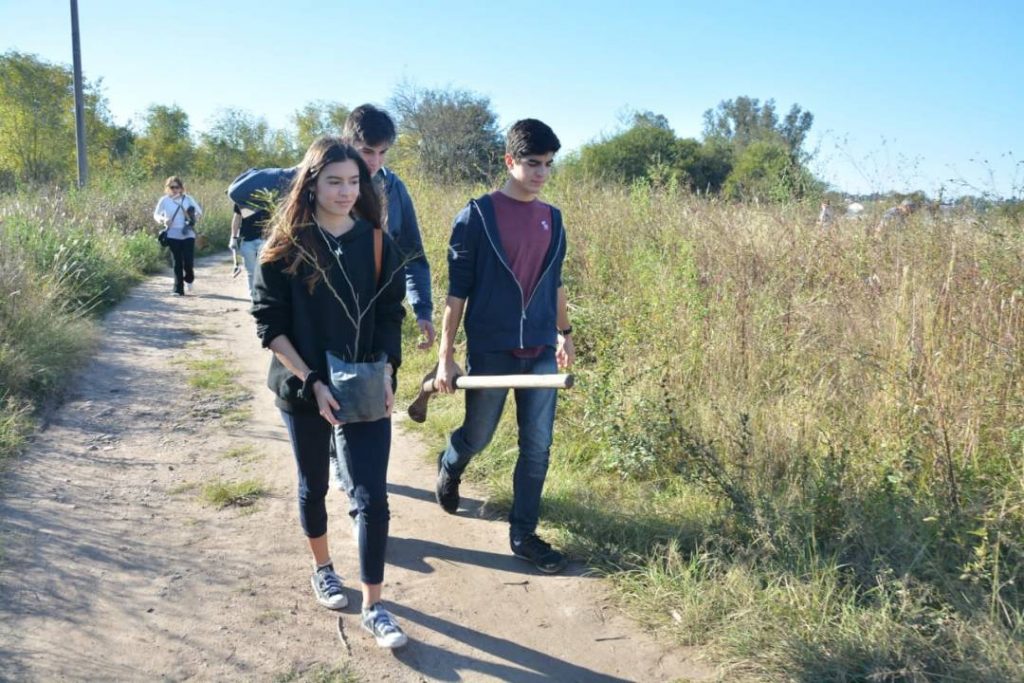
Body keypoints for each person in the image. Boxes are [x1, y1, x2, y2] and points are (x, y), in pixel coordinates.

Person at [250, 137, 409, 648]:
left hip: (365, 385)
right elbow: (270, 326)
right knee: (314, 484)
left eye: (354, 182)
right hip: (303, 388)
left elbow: (391, 314)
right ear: (311, 184)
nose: (346, 191)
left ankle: (375, 606)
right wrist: (310, 381)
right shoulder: (286, 247)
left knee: (372, 496)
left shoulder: (378, 243)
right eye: (334, 181)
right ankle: (323, 569)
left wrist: (387, 370)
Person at [434, 119, 575, 574]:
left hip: (540, 349)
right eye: (533, 163)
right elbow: (456, 293)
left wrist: (565, 334)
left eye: (548, 165)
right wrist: (445, 357)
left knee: (537, 446)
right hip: (492, 350)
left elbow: (555, 284)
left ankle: (523, 534)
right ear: (510, 161)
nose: (541, 173)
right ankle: (451, 464)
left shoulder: (553, 218)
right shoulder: (476, 216)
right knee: (478, 436)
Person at [329, 104, 435, 498]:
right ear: (346, 144)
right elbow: (243, 189)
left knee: (376, 392)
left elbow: (413, 254)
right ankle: (342, 466)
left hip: (380, 311)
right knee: (334, 391)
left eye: (382, 152)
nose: (374, 162)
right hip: (331, 311)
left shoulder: (393, 188)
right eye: (366, 151)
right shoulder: (324, 182)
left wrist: (422, 309)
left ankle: (364, 484)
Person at [153, 176, 202, 296]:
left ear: (181, 188)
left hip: (188, 233)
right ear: (167, 188)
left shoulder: (188, 199)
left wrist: (192, 218)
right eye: (172, 187)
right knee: (177, 261)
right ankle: (178, 289)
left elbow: (199, 212)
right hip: (172, 234)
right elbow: (156, 215)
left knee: (188, 261)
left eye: (177, 187)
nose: (175, 190)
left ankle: (189, 278)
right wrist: (164, 220)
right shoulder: (164, 200)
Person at [229, 202, 270, 298]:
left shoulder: (268, 196)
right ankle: (254, 297)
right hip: (247, 239)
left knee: (265, 270)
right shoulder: (242, 197)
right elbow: (237, 217)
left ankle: (265, 296)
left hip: (265, 239)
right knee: (251, 271)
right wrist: (233, 238)